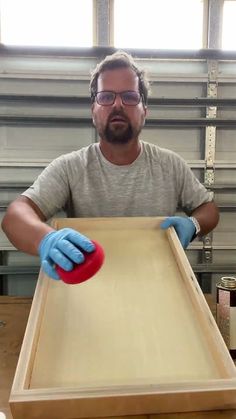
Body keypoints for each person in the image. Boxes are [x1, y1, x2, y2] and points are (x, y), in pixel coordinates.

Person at [1, 51, 219, 280]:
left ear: (144, 110)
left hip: (156, 284)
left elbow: (208, 209)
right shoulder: (70, 168)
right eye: (106, 97)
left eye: (129, 96)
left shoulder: (170, 165)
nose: (117, 105)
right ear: (93, 110)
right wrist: (46, 239)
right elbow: (15, 217)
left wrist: (193, 224)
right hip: (89, 287)